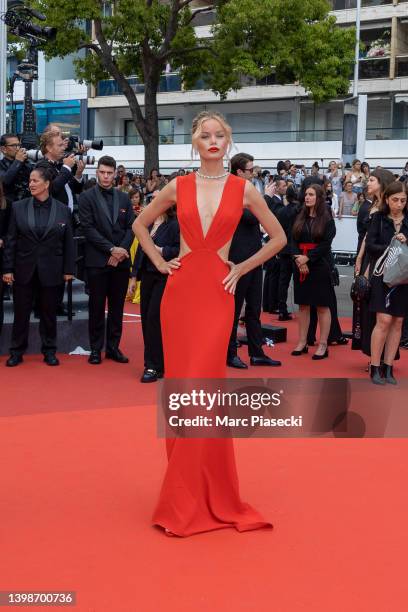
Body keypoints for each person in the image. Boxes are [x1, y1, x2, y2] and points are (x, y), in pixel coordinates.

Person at [133, 110, 286, 537]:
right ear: (195, 143)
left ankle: (194, 493)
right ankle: (185, 488)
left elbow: (278, 238)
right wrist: (161, 262)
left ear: (229, 141)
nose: (213, 141)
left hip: (218, 297)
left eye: (220, 135)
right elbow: (139, 225)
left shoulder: (244, 189)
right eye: (205, 135)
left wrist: (242, 268)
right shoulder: (177, 185)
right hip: (179, 296)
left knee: (205, 388)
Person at [2, 163, 75, 366]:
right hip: (23, 270)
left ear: (46, 184)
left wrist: (69, 270)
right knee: (21, 314)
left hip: (52, 270)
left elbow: (69, 242)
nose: (30, 184)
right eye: (30, 180)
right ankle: (16, 351)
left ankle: (49, 350)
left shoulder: (62, 210)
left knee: (49, 313)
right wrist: (7, 269)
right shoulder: (18, 207)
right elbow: (11, 240)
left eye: (35, 181)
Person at [226, 153, 282, 369]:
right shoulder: (232, 191)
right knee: (234, 308)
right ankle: (230, 353)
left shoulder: (248, 191)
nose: (254, 173)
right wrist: (266, 198)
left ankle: (257, 352)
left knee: (254, 309)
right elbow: (249, 217)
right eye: (250, 170)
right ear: (239, 171)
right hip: (238, 259)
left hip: (254, 256)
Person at [78, 155, 134, 365]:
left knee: (118, 308)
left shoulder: (124, 198)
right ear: (97, 172)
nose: (105, 176)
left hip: (120, 262)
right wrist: (111, 249)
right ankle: (95, 349)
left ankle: (113, 348)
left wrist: (120, 252)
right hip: (97, 261)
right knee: (96, 306)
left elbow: (131, 227)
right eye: (102, 172)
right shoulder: (86, 197)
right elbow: (88, 229)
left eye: (109, 173)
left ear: (115, 174)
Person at [129, 199, 179, 382]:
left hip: (164, 277)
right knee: (146, 320)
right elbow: (141, 253)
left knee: (154, 320)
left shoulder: (174, 225)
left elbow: (179, 249)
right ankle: (153, 363)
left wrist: (160, 250)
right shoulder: (147, 224)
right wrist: (133, 278)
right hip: (147, 276)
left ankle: (154, 365)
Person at [366, 182, 408, 384]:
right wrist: (392, 244)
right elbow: (371, 246)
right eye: (395, 200)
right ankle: (374, 366)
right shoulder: (378, 219)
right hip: (381, 276)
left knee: (398, 322)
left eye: (403, 200)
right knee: (383, 320)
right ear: (387, 199)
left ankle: (388, 366)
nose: (399, 204)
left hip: (404, 278)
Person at [291, 184, 336, 360]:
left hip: (319, 266)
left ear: (319, 197)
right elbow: (292, 239)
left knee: (322, 306)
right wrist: (298, 259)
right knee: (303, 305)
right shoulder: (299, 217)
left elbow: (326, 245)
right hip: (299, 264)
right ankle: (302, 342)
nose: (307, 197)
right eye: (306, 194)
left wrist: (307, 258)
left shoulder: (327, 220)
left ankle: (323, 344)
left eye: (311, 195)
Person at [0, 133, 32, 204]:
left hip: (27, 205)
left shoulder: (25, 164)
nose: (18, 148)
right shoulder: (1, 165)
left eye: (19, 145)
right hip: (9, 208)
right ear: (3, 149)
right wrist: (18, 161)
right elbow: (5, 181)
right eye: (14, 145)